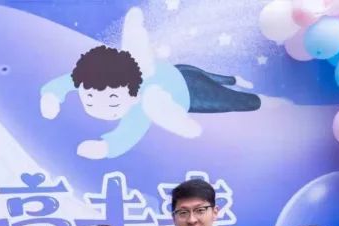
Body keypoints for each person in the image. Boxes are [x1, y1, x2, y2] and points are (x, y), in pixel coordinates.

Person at [40, 7, 259, 159]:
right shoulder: (94, 76)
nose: (100, 108)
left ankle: (248, 92)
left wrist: (105, 148)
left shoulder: (143, 103)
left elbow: (127, 134)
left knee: (237, 100)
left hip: (192, 92)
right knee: (206, 75)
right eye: (89, 100)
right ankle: (233, 80)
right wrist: (51, 97)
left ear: (133, 94)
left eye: (113, 102)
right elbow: (66, 82)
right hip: (180, 71)